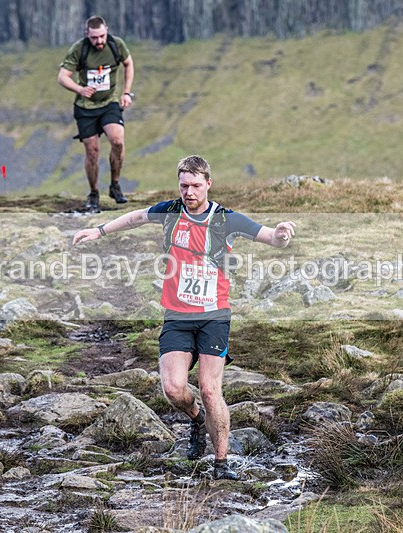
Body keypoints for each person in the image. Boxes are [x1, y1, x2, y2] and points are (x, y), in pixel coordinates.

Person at [72, 155, 296, 480]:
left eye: (195, 185)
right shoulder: (171, 211)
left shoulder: (226, 219)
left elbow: (270, 238)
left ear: (208, 183)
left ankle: (221, 465)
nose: (189, 192)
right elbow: (136, 217)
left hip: (214, 317)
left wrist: (282, 234)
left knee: (209, 389)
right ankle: (195, 419)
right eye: (183, 186)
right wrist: (99, 230)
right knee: (174, 388)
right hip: (177, 315)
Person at [57, 15, 135, 212]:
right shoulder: (79, 49)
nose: (99, 41)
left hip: (109, 103)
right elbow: (62, 77)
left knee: (117, 140)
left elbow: (129, 64)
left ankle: (115, 185)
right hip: (85, 108)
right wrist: (80, 89)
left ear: (106, 30)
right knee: (92, 151)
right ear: (87, 35)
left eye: (101, 36)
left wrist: (126, 92)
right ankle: (93, 193)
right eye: (94, 38)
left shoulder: (116, 45)